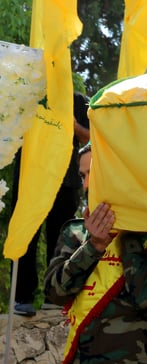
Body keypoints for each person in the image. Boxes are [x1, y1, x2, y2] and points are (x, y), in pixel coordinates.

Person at [44, 143, 147, 364]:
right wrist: (94, 246)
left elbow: (146, 297)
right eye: (82, 176)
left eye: (93, 173)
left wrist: (125, 231)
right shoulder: (76, 232)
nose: (87, 184)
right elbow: (55, 293)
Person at [13, 92, 92, 316]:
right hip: (29, 177)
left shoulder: (76, 99)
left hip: (65, 180)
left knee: (60, 238)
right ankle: (21, 297)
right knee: (24, 235)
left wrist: (74, 125)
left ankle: (55, 297)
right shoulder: (28, 94)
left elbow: (89, 138)